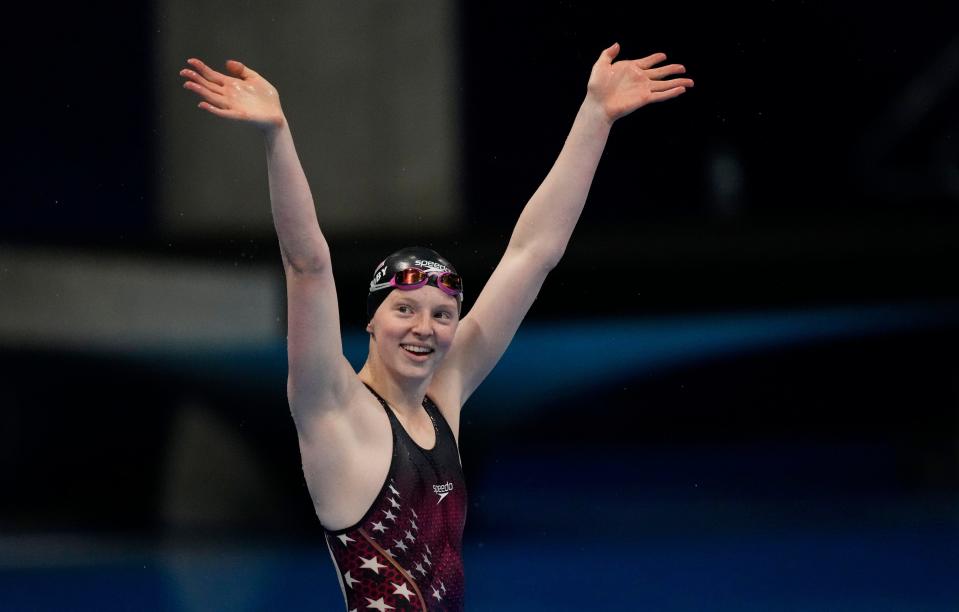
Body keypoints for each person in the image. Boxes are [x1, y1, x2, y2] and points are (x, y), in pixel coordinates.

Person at [180, 42, 692, 611]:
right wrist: (277, 136)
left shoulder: (442, 396)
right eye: (404, 309)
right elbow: (307, 265)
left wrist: (594, 117)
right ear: (370, 321)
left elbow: (532, 252)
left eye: (443, 314)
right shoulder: (332, 410)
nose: (425, 328)